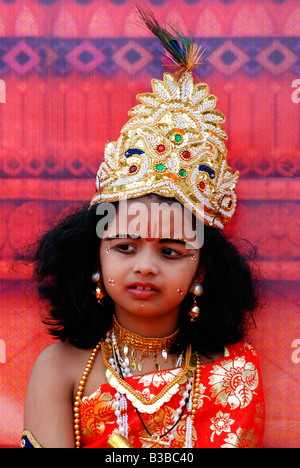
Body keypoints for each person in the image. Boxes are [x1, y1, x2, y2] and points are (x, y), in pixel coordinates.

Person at [21, 8, 265, 449]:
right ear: (96, 254)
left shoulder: (233, 374)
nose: (146, 267)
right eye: (125, 247)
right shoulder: (60, 369)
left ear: (203, 270)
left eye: (170, 251)